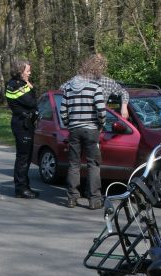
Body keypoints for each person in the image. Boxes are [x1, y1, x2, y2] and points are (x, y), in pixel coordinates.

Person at [60, 57, 107, 209]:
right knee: (93, 164)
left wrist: (69, 124)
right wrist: (101, 125)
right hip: (91, 129)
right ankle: (94, 199)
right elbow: (101, 110)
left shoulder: (68, 87)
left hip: (74, 129)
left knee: (74, 164)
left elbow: (63, 111)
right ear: (95, 70)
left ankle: (72, 198)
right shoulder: (95, 86)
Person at [5, 59, 39, 199]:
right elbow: (32, 102)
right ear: (20, 71)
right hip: (22, 124)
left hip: (24, 123)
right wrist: (31, 88)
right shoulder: (17, 85)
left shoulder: (17, 84)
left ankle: (24, 185)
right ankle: (21, 188)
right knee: (23, 158)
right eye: (27, 70)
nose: (29, 73)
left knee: (26, 157)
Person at [60, 53, 129, 119]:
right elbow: (61, 90)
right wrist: (124, 107)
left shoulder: (107, 82)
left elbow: (61, 90)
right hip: (95, 122)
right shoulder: (78, 79)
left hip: (77, 121)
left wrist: (124, 107)